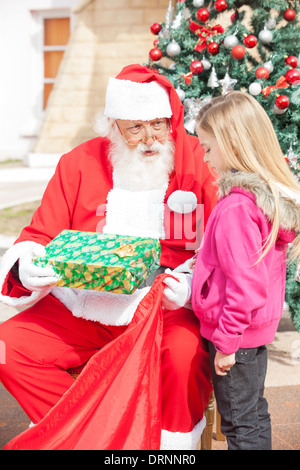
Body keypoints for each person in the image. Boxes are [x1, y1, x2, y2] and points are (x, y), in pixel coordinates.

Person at [0, 64, 218, 450]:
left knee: (184, 355)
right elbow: (38, 234)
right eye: (135, 128)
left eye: (158, 125)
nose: (150, 139)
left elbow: (224, 245)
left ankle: (165, 449)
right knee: (8, 346)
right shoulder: (78, 163)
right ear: (113, 127)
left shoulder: (200, 160)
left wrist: (187, 285)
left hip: (164, 308)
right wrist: (26, 265)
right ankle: (89, 438)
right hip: (83, 307)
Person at [190, 91, 300, 450]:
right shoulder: (258, 200)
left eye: (208, 148)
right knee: (253, 415)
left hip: (234, 338)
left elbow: (247, 287)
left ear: (232, 144)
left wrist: (225, 343)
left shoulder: (237, 206)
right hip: (251, 337)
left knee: (239, 425)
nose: (205, 159)